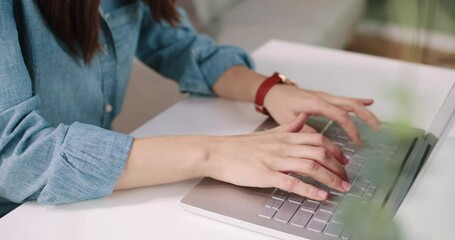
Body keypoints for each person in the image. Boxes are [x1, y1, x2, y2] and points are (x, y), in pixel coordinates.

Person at [0, 0, 380, 215]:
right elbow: (19, 155)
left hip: (78, 205)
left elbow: (177, 44)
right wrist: (214, 152)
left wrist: (268, 90)